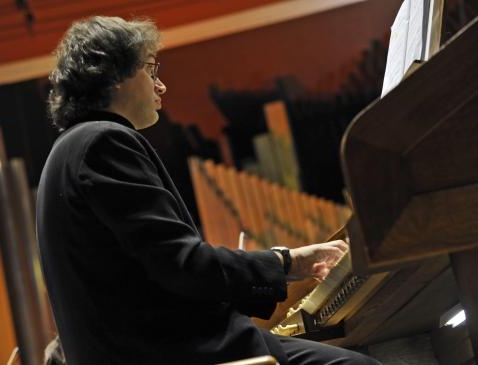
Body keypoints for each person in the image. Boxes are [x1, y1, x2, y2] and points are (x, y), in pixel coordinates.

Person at [36, 16, 381, 365]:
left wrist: (283, 267)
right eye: (151, 71)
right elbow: (183, 266)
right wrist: (288, 262)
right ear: (115, 76)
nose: (161, 86)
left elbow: (154, 273)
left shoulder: (69, 151)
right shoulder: (103, 142)